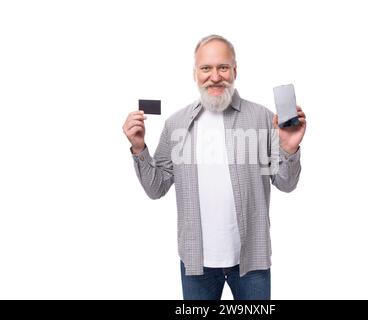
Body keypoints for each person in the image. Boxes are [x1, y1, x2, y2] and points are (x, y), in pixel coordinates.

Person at [122, 34, 306, 300]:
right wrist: (139, 148)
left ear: (235, 71)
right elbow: (156, 187)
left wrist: (289, 148)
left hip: (251, 261)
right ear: (195, 73)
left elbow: (286, 184)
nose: (215, 76)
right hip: (197, 263)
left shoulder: (263, 118)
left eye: (223, 67)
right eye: (206, 68)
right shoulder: (176, 124)